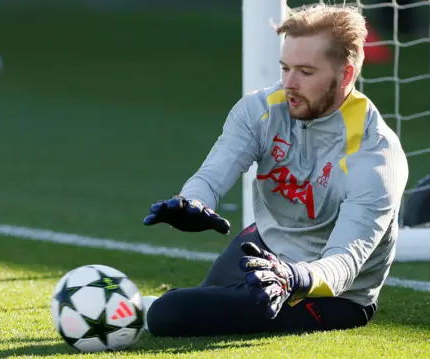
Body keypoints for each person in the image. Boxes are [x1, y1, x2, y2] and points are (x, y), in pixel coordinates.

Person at [142, 3, 409, 337]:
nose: (289, 83)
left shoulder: (375, 156)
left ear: (346, 75)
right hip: (264, 247)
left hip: (332, 293)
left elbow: (344, 265)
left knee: (170, 313)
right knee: (191, 307)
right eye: (285, 68)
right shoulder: (261, 110)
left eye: (306, 72)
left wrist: (293, 277)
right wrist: (192, 202)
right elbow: (212, 176)